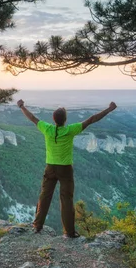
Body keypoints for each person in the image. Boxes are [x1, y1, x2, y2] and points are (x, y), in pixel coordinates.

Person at [17, 99, 117, 238]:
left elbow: (33, 118)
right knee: (66, 200)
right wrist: (109, 109)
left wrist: (22, 106)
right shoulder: (70, 130)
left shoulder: (47, 128)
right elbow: (92, 119)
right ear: (65, 120)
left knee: (45, 196)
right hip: (65, 170)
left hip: (50, 168)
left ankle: (37, 225)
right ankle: (69, 232)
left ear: (53, 119)